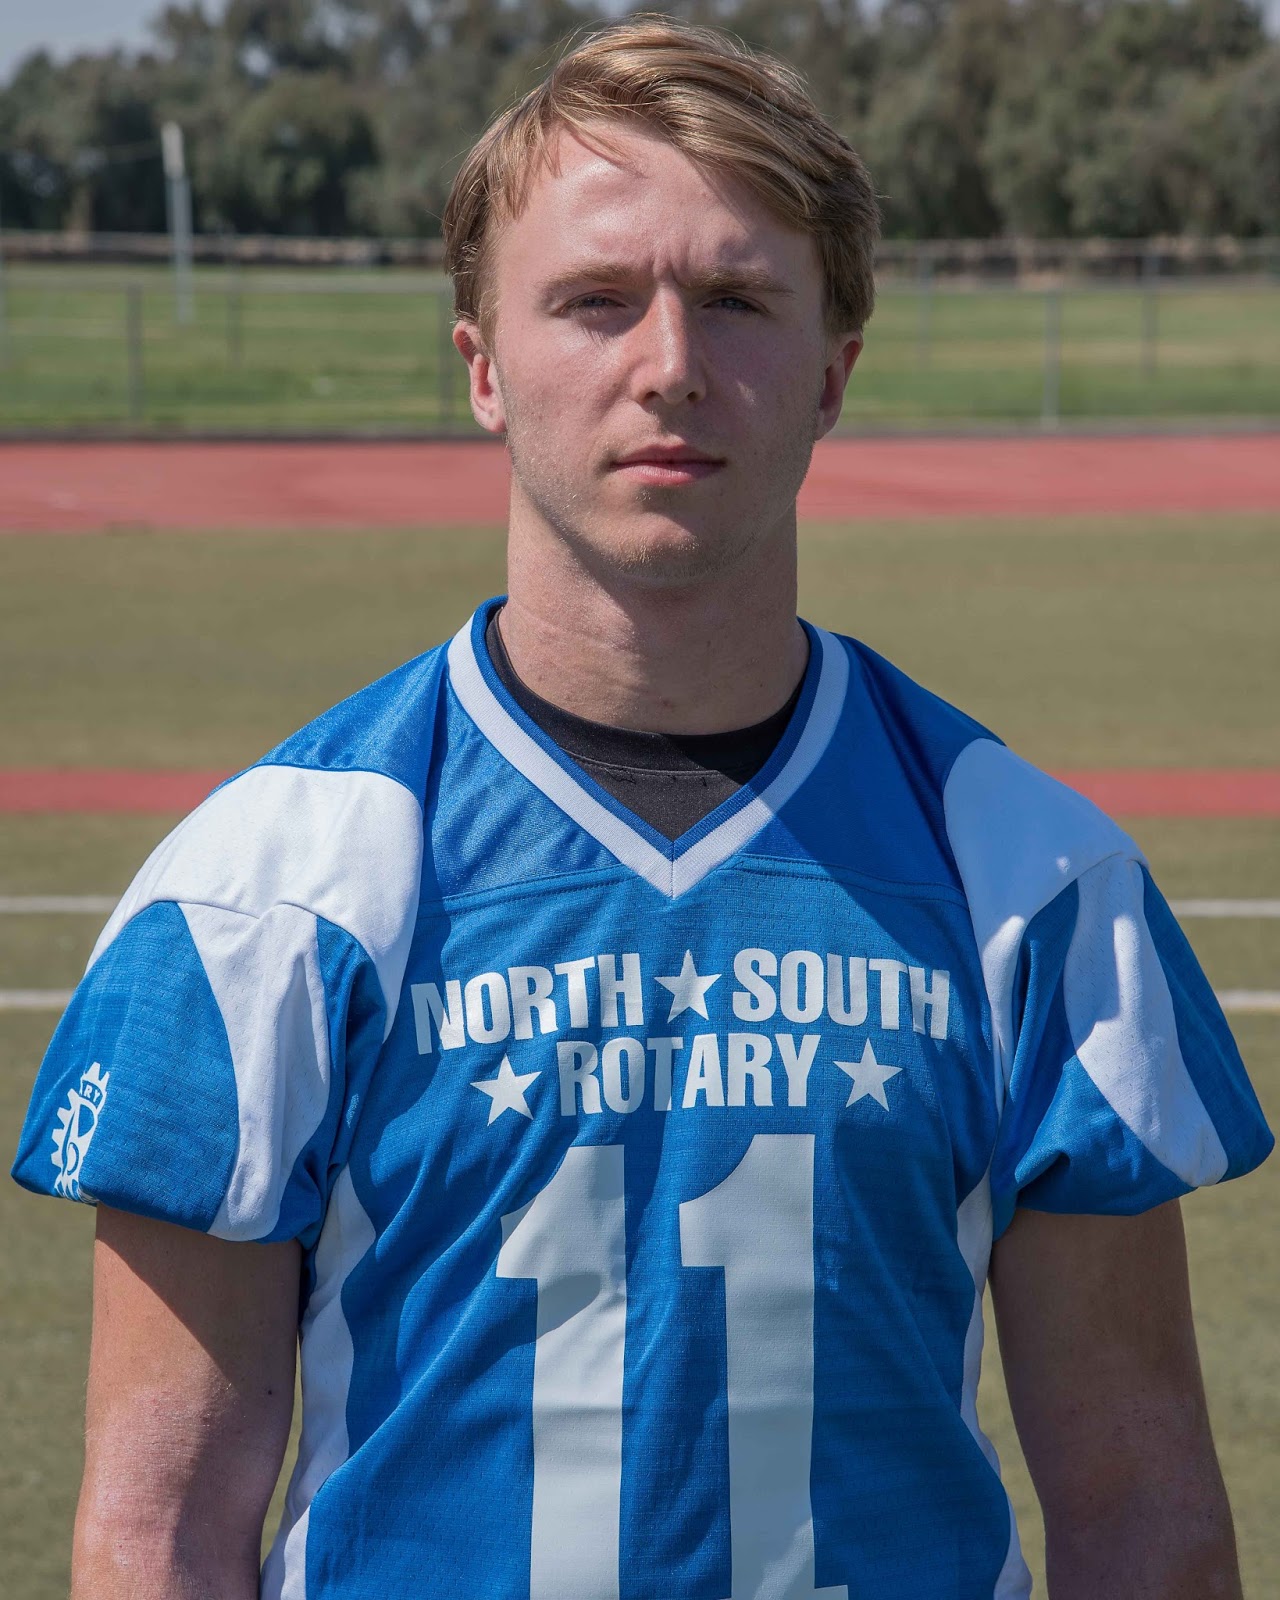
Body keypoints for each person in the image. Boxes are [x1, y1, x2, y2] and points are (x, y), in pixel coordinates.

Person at [11, 18, 1273, 1600]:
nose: (671, 363)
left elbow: (1144, 1524)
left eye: (737, 300)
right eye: (596, 300)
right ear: (483, 366)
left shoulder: (1036, 881)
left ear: (833, 374)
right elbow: (157, 1536)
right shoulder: (260, 895)